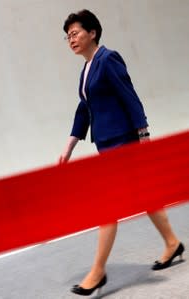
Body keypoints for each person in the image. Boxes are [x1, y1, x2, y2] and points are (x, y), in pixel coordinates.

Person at [59, 9, 185, 296]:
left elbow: (130, 96)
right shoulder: (87, 69)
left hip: (124, 142)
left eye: (75, 33)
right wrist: (70, 145)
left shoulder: (108, 59)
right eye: (67, 37)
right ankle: (172, 243)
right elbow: (84, 109)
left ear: (92, 33)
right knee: (146, 196)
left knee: (109, 205)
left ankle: (98, 271)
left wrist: (143, 136)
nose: (71, 40)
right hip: (107, 144)